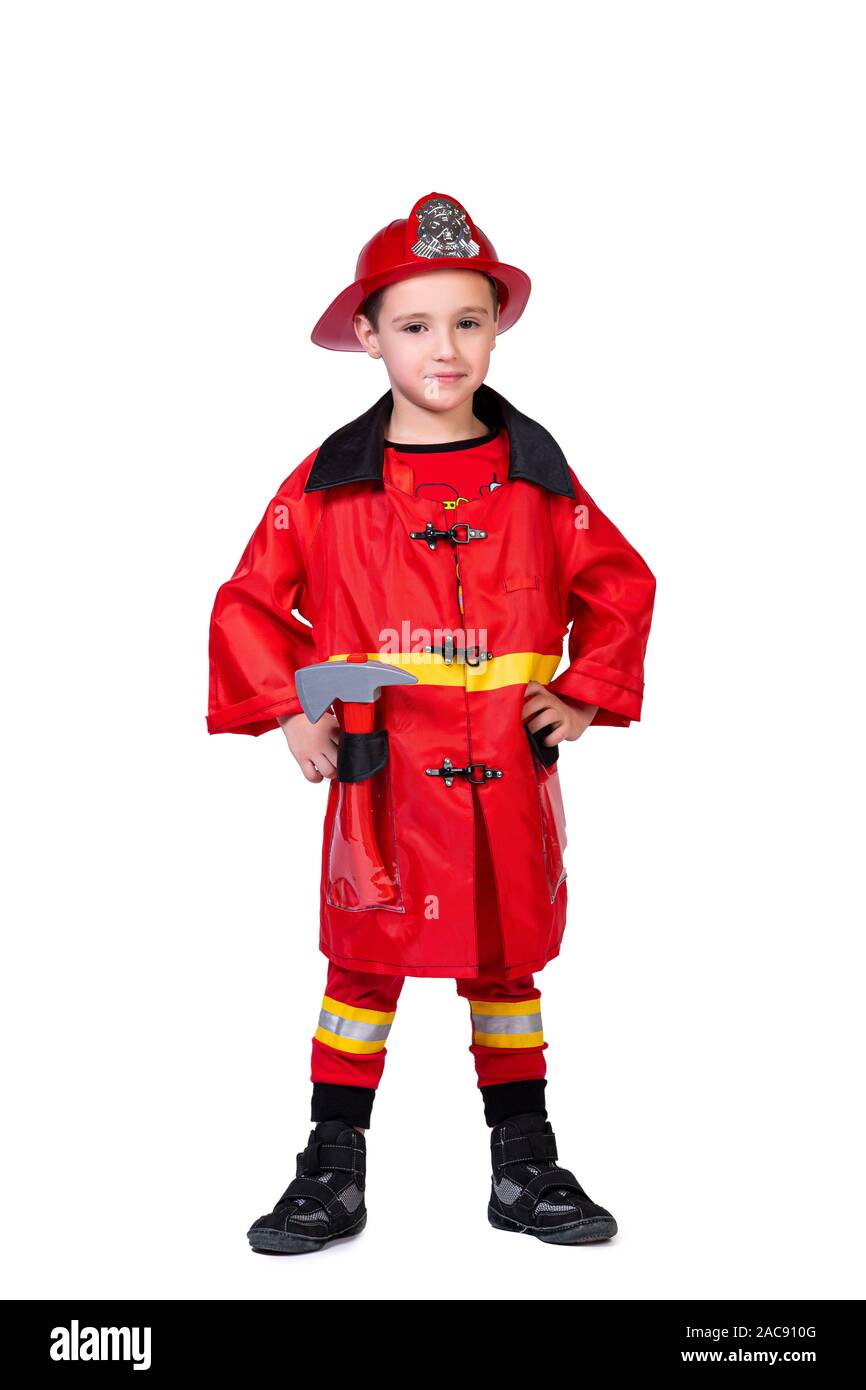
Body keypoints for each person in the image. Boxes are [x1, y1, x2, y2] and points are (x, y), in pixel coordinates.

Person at [206, 191, 656, 1252]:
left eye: (466, 320)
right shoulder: (327, 486)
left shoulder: (539, 482)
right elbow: (247, 600)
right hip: (384, 777)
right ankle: (331, 1162)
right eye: (413, 324)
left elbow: (620, 584)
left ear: (496, 326)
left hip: (504, 764)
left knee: (503, 966)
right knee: (362, 964)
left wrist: (583, 688)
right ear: (368, 338)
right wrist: (291, 710)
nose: (443, 347)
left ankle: (523, 1159)